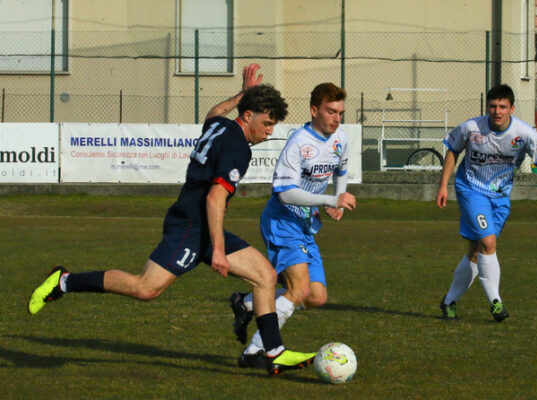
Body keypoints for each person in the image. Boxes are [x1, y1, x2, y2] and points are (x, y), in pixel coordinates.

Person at [28, 63, 316, 376]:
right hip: (191, 226)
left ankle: (272, 351)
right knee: (145, 289)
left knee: (264, 274)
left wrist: (241, 94)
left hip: (203, 223)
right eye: (267, 123)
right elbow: (214, 197)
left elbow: (214, 111)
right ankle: (63, 281)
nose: (270, 131)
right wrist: (218, 250)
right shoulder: (237, 148)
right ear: (248, 116)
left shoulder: (220, 126)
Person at [227, 82, 356, 368]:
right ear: (314, 110)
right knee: (298, 289)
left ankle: (247, 303)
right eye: (331, 111)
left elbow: (342, 169)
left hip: (305, 225)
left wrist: (338, 199)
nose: (337, 118)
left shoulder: (340, 140)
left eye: (340, 113)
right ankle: (255, 352)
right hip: (282, 222)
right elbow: (284, 193)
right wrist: (329, 199)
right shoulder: (299, 143)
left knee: (316, 296)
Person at [436, 84, 537, 322]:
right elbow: (452, 150)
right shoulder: (471, 128)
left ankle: (448, 301)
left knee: (477, 251)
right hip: (470, 190)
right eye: (492, 106)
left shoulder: (523, 133)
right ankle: (496, 303)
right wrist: (443, 186)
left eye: (502, 106)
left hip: (500, 198)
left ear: (511, 108)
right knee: (488, 243)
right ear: (487, 107)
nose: (497, 111)